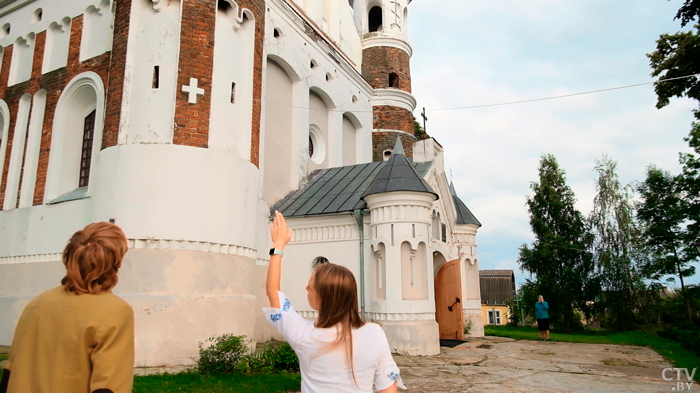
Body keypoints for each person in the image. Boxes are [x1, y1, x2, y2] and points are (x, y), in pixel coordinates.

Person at [264, 211, 406, 393]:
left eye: (310, 287)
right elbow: (388, 386)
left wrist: (278, 246)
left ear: (323, 298)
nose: (306, 289)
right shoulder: (374, 333)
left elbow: (272, 291)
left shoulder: (304, 335)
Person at [0, 222, 135, 393]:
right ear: (116, 262)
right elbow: (109, 387)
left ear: (70, 256)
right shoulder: (116, 312)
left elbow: (10, 373)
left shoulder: (36, 304)